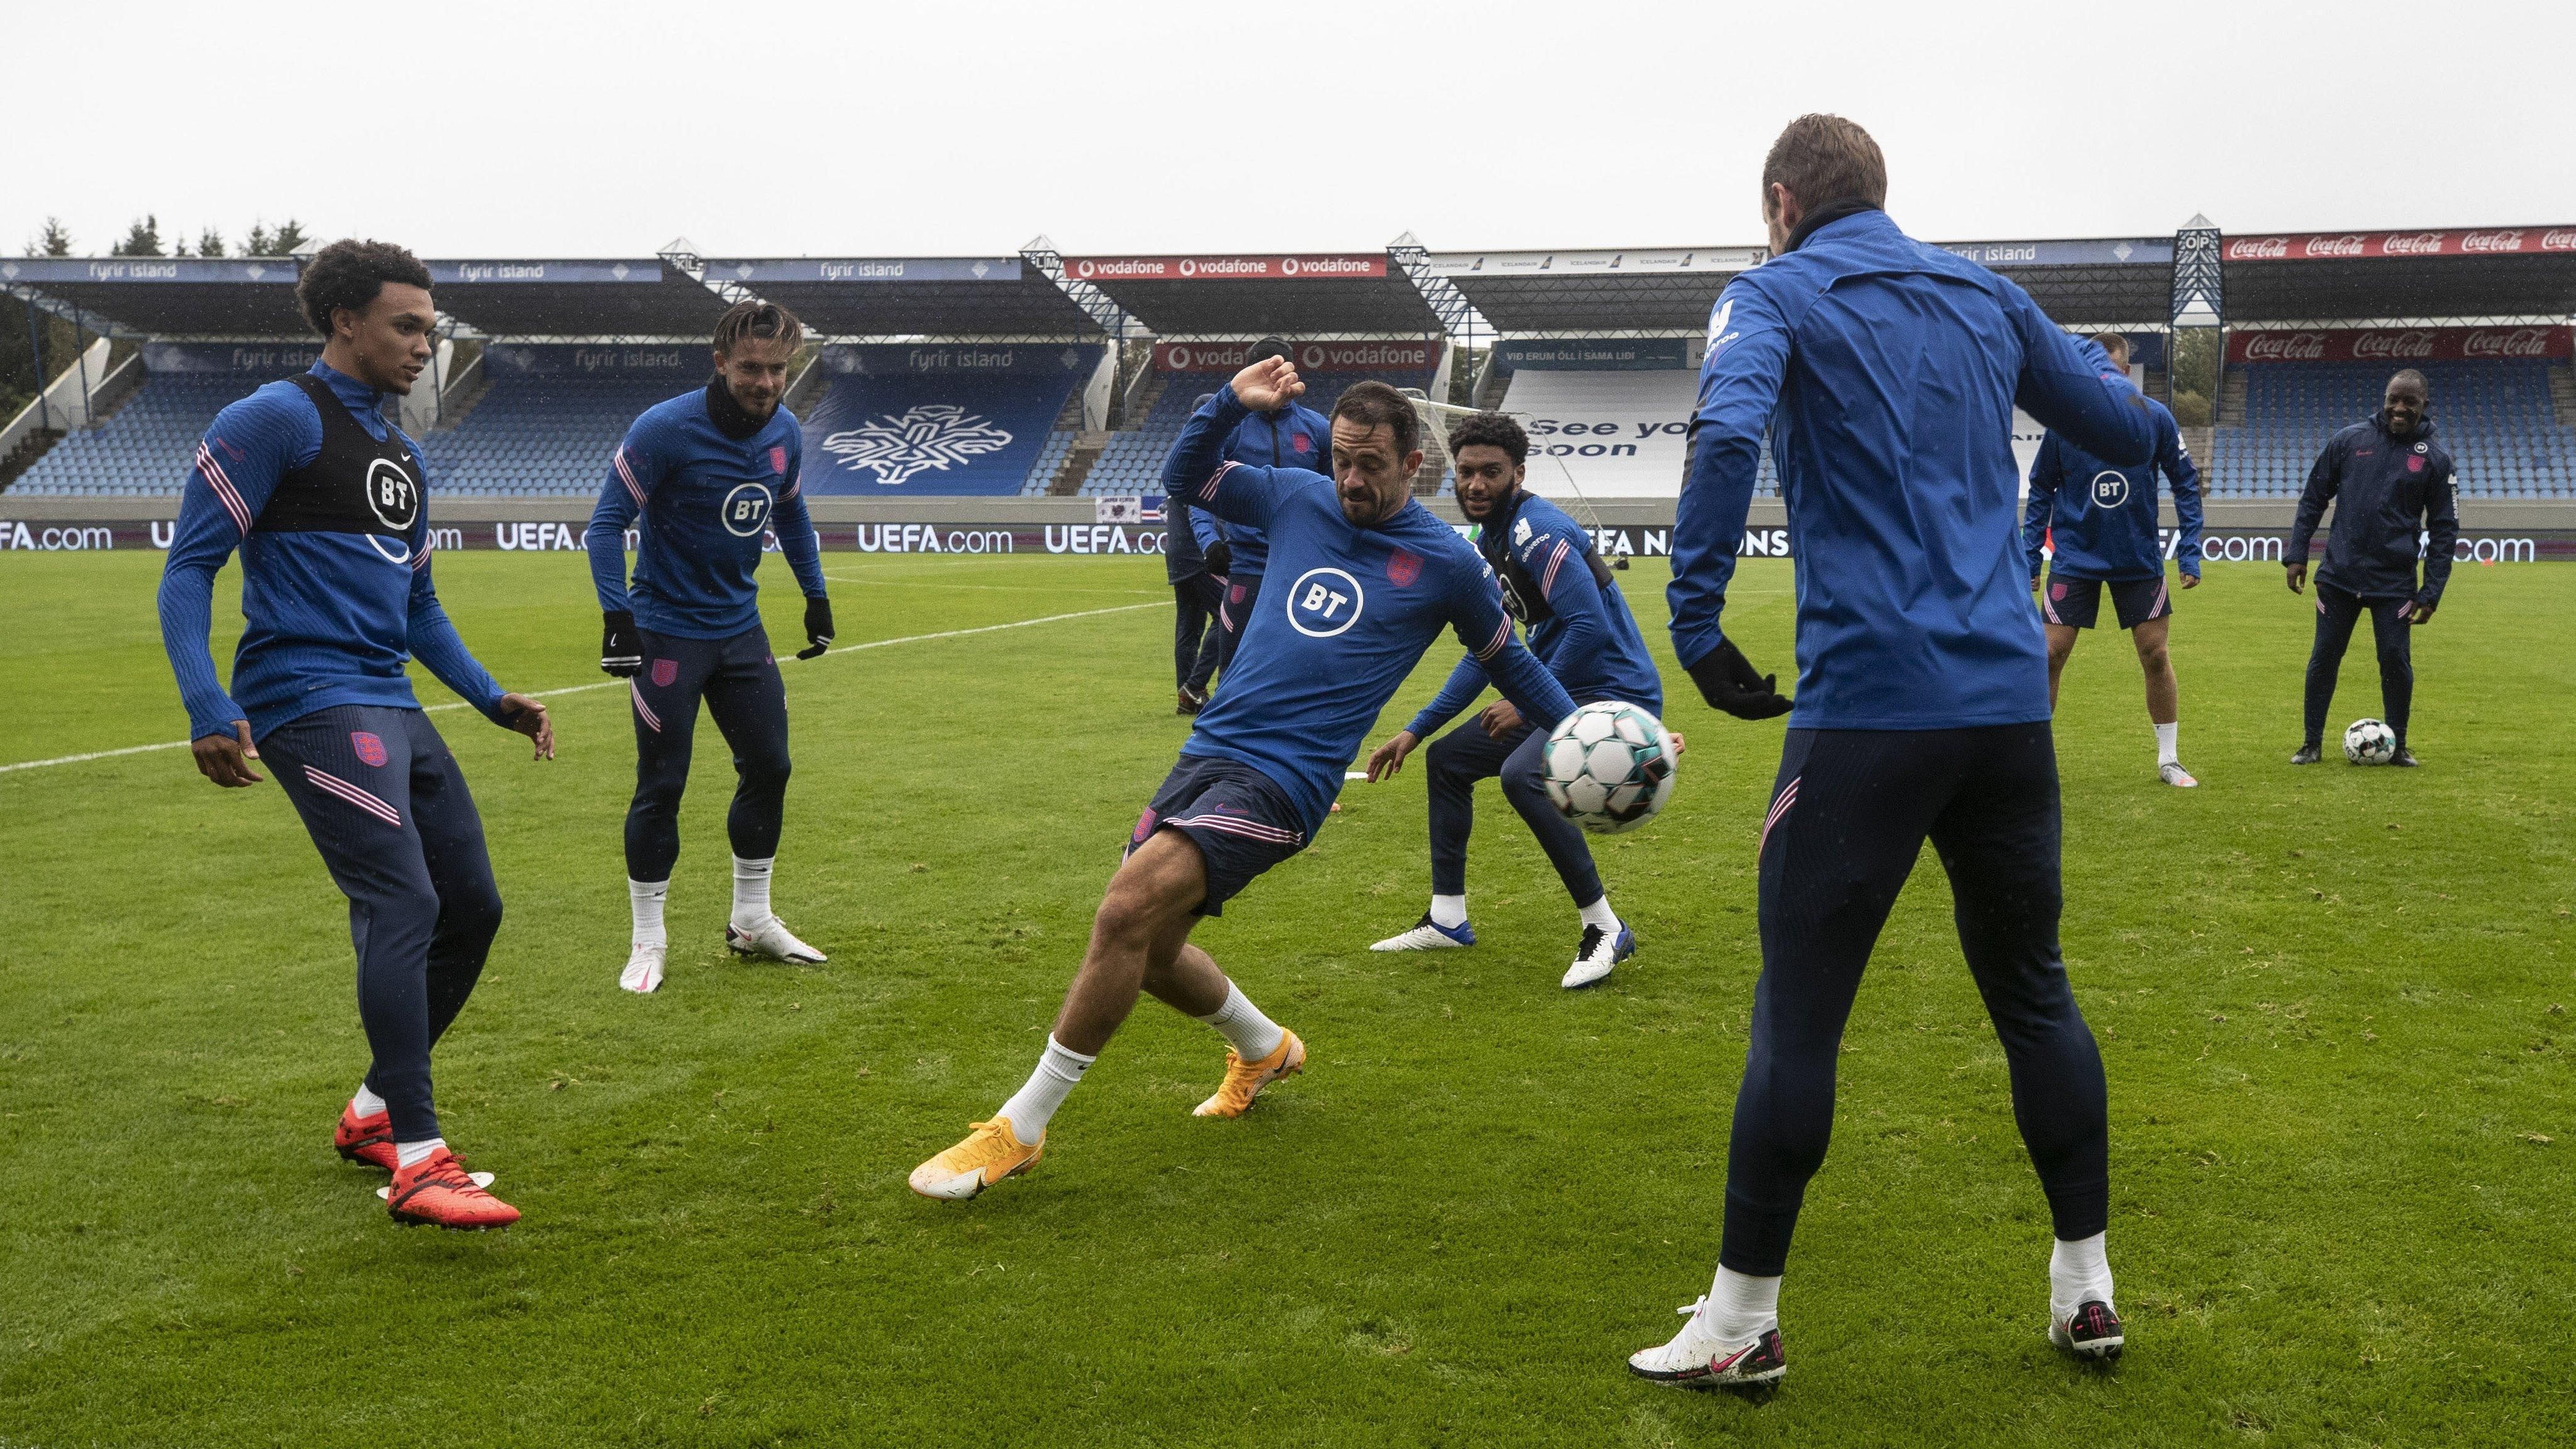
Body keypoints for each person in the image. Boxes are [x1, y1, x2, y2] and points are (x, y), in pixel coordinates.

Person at [1633, 114, 2159, 1388]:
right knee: (2032, 994)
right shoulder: (1987, 296)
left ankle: (1740, 1322)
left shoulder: (1768, 292)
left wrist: (1694, 619)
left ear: (1777, 200)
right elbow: (2126, 431)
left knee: (1796, 1021)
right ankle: (2083, 1288)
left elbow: (1721, 435)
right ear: (1879, 191)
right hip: (2003, 718)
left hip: (1867, 709)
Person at [909, 359, 1579, 1201]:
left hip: (1286, 782)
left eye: (1372, 463)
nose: (1351, 478)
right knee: (1149, 951)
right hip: (1210, 750)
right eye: (1341, 458)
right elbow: (1181, 477)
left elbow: (1511, 664)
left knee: (1124, 907)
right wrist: (1226, 402)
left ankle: (1022, 1127)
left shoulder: (1447, 564)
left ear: (1415, 465)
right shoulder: (1294, 496)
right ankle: (1266, 1050)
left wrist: (1586, 727)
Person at [157, 238, 555, 1230]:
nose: (427, 345)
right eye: (408, 326)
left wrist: (491, 697)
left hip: (393, 701)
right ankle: (420, 1163)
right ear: (345, 321)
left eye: (431, 327)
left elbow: (419, 608)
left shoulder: (404, 456)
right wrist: (209, 706)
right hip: (307, 699)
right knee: (403, 898)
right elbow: (188, 570)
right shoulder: (273, 420)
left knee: (475, 904)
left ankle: (376, 1111)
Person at [1363, 411, 1668, 988]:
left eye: (1492, 473)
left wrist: (1525, 705)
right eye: (1468, 472)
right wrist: (1417, 729)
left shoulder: (1540, 533)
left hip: (1610, 691)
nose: (1476, 484)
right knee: (1447, 763)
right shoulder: (1493, 541)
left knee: (1523, 775)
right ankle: (1448, 919)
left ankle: (1606, 928)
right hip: (1561, 684)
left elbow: (1588, 629)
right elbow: (1489, 650)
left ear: (1518, 473)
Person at [586, 300, 837, 994]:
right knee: (662, 783)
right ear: (720, 361)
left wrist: (814, 595)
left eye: (778, 369)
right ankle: (647, 941)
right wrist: (618, 619)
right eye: (751, 368)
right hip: (667, 631)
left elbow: (788, 509)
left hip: (739, 630)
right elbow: (605, 525)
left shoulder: (786, 428)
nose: (765, 382)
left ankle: (751, 920)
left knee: (771, 765)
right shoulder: (664, 429)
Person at [2023, 333, 2206, 787]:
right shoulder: (2066, 423)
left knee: (2156, 654)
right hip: (2075, 558)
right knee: (2049, 654)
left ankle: (2169, 759)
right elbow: (2040, 488)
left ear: (2125, 372)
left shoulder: (2154, 417)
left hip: (2137, 558)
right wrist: (2031, 559)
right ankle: (2032, 767)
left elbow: (2185, 482)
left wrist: (2189, 550)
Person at [2285, 368, 2456, 767]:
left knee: (2395, 660)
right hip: (2339, 577)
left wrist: (2431, 592)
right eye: (2393, 399)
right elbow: (2313, 498)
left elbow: (2445, 530)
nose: (2399, 408)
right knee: (2325, 656)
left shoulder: (2436, 459)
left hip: (2393, 583)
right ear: (2384, 399)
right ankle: (2311, 743)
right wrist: (2296, 554)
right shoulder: (2349, 440)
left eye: (2408, 402)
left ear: (2423, 406)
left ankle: (2397, 746)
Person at [1190, 337, 1333, 682]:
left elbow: (1335, 496)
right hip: (1249, 567)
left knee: (1301, 672)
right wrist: (1210, 541)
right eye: (1265, 370)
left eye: (1280, 368)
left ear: (1292, 370)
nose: (1274, 378)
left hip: (1304, 566)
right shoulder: (1231, 428)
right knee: (1234, 673)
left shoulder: (1317, 428)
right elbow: (1196, 491)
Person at [1163, 491, 1223, 714]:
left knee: (1189, 627)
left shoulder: (1179, 475)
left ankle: (1187, 698)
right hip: (1197, 554)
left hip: (1178, 555)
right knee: (1228, 614)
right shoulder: (1200, 473)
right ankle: (1194, 686)